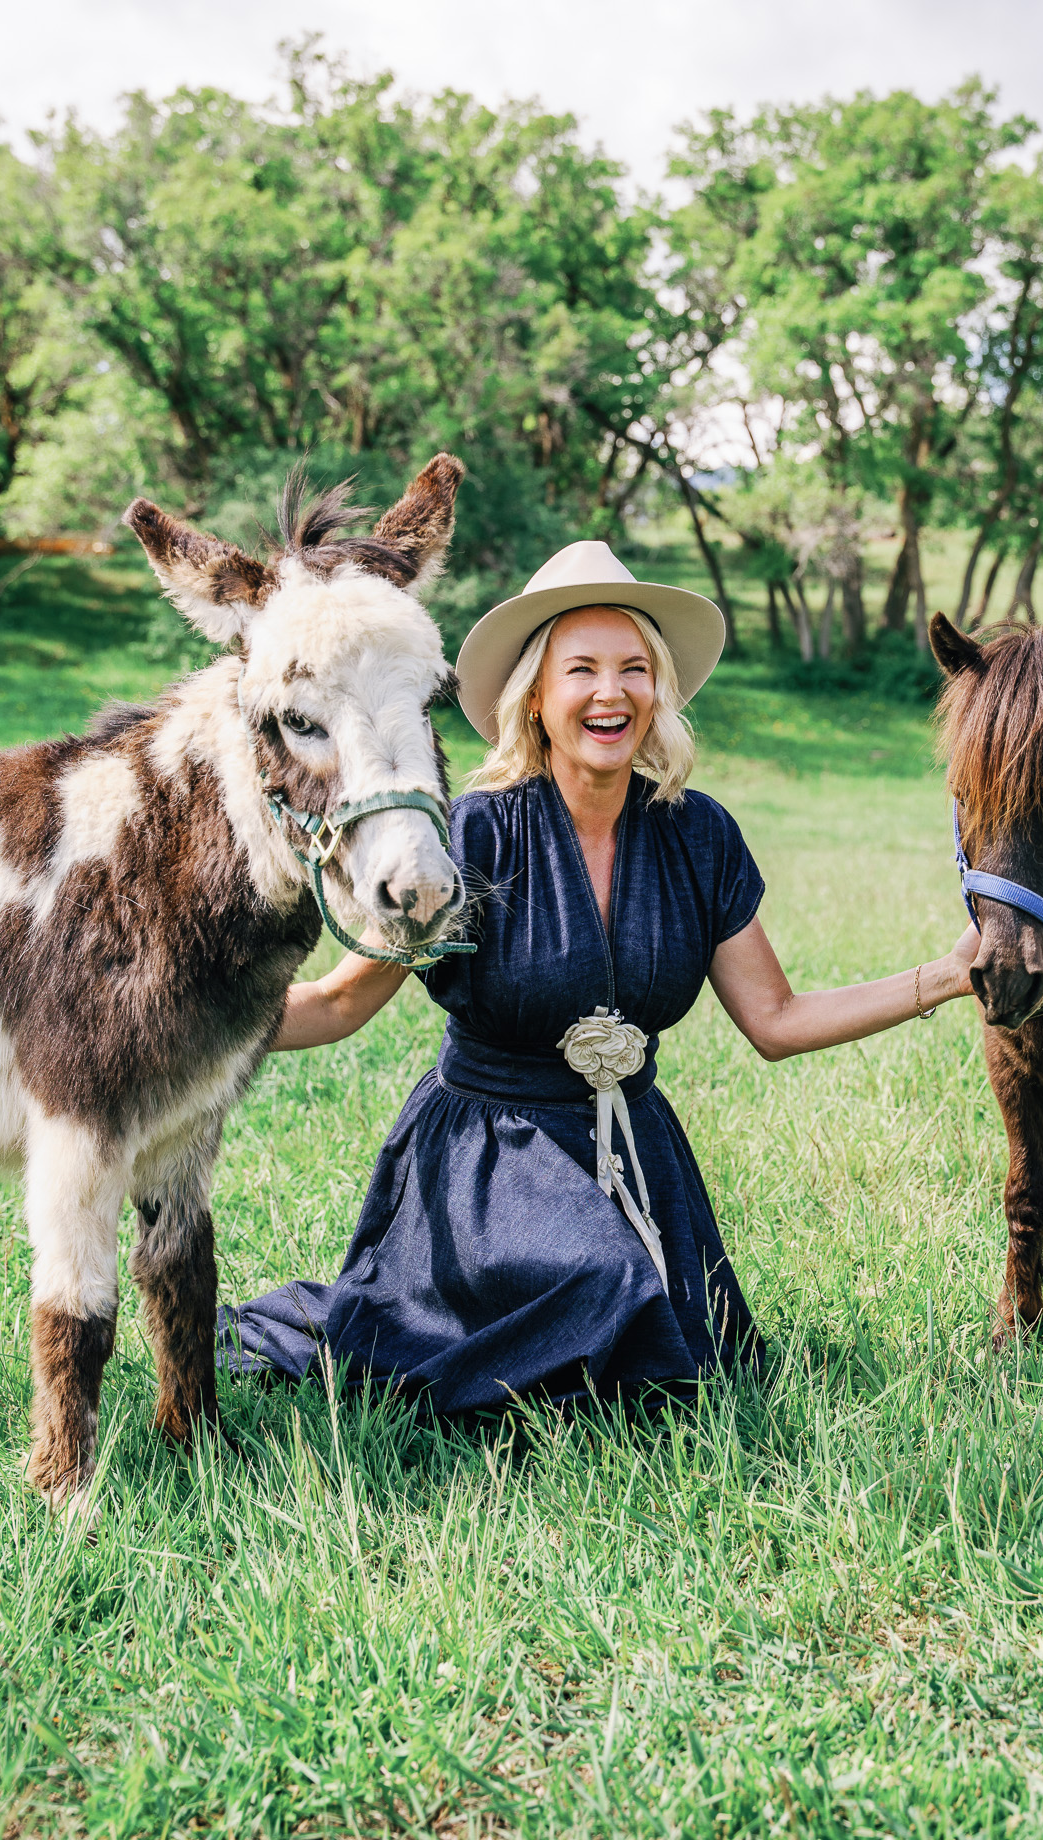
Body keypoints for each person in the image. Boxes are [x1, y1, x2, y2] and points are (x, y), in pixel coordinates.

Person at [221, 541, 978, 1411]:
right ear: (537, 697)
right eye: (581, 669)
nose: (610, 692)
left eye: (633, 669)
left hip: (639, 1158)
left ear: (658, 690)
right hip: (488, 1160)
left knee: (685, 1362)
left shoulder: (699, 837)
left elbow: (778, 1021)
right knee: (601, 1283)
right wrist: (187, 1018)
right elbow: (339, 1002)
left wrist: (947, 976)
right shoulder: (475, 836)